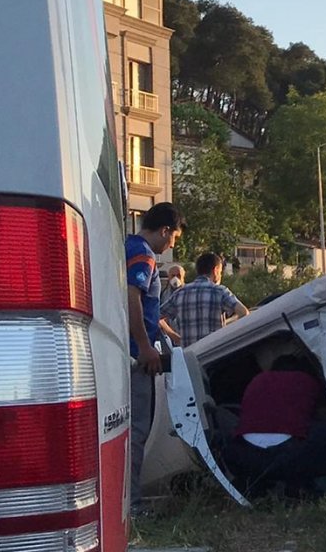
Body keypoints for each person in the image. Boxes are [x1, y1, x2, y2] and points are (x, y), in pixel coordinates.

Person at [124, 202, 183, 513]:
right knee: (136, 431)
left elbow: (147, 308)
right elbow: (133, 296)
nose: (170, 246)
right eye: (172, 239)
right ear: (164, 230)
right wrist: (145, 346)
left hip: (131, 351)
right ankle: (131, 504)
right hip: (137, 356)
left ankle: (127, 499)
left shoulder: (128, 245)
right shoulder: (143, 254)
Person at [223, 354, 326, 497]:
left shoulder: (257, 380)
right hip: (290, 455)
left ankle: (264, 486)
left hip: (248, 456)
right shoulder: (307, 380)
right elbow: (325, 416)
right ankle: (307, 483)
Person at [160, 252, 249, 347]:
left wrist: (174, 336)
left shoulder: (179, 293)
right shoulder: (220, 291)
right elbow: (244, 313)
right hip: (213, 351)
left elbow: (157, 317)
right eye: (220, 272)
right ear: (215, 270)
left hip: (188, 354)